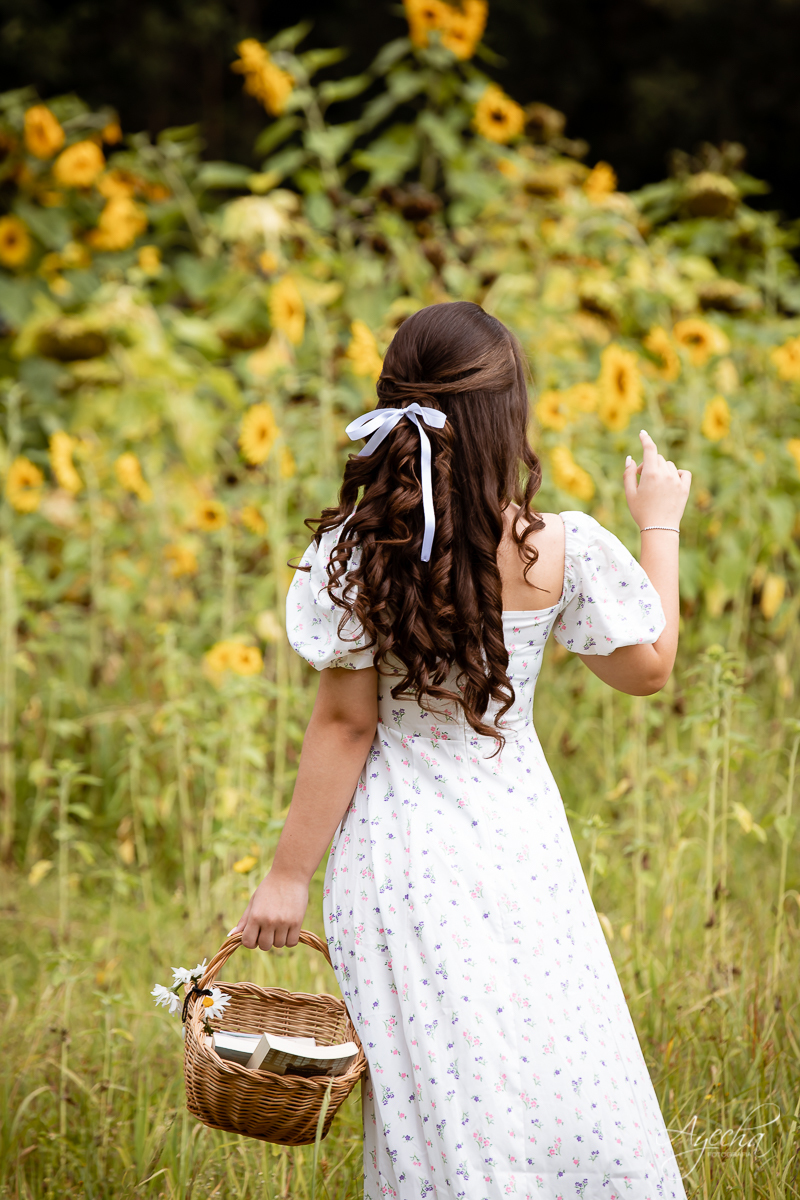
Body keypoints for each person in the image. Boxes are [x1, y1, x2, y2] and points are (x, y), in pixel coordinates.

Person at [235, 301, 691, 1200]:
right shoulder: (557, 546)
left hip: (396, 853)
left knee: (429, 1092)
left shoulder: (360, 552)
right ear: (506, 415)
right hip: (516, 840)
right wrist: (659, 522)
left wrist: (288, 875)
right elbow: (651, 668)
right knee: (549, 1054)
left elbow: (345, 726)